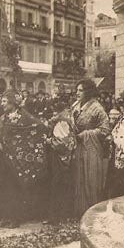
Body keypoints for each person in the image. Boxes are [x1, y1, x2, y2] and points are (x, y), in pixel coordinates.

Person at [0, 90, 49, 228]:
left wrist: (20, 146)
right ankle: (4, 217)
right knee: (2, 187)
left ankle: (15, 218)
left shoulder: (24, 117)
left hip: (16, 160)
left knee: (14, 188)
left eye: (5, 101)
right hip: (3, 158)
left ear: (13, 102)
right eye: (2, 101)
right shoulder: (4, 117)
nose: (2, 104)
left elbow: (39, 127)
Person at [71, 79, 110, 218]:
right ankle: (80, 211)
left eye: (80, 90)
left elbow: (105, 130)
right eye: (77, 90)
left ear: (88, 92)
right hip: (79, 147)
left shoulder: (97, 108)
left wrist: (87, 134)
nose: (77, 93)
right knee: (79, 178)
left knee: (91, 179)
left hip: (92, 148)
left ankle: (92, 213)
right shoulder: (76, 106)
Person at [48, 93, 77, 222]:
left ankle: (58, 216)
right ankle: (63, 215)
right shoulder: (68, 118)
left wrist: (49, 141)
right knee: (64, 184)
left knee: (58, 184)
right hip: (67, 157)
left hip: (61, 157)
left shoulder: (62, 122)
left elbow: (62, 143)